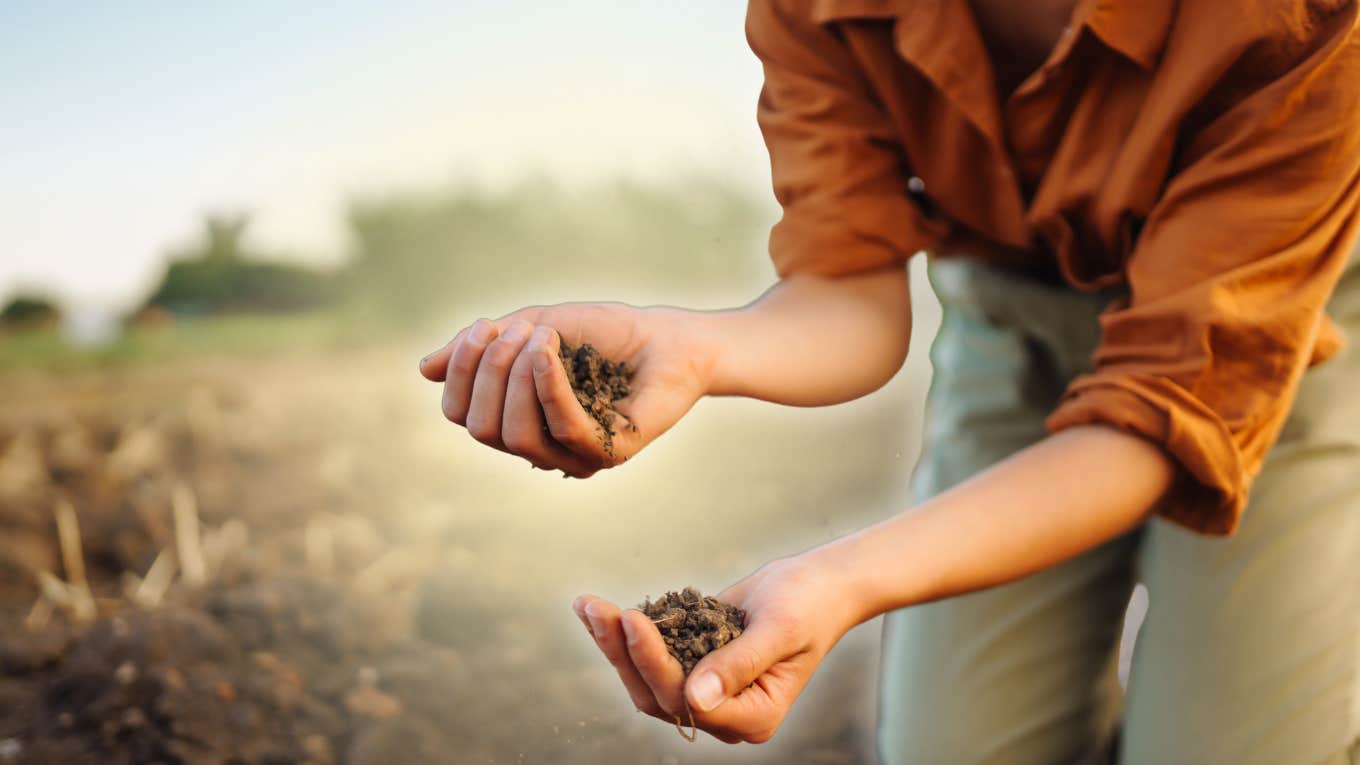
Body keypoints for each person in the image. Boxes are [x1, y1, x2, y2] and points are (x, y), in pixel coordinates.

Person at [419, 0, 1360, 761]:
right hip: (1014, 313)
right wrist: (699, 348)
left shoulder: (1304, 19)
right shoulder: (816, 9)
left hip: (1270, 332)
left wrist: (846, 579)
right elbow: (849, 299)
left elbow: (1162, 415)